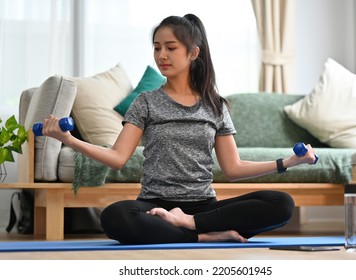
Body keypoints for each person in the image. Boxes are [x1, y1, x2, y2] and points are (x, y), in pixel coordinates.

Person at [42, 14, 317, 245]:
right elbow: (117, 158)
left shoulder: (215, 106)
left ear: (193, 53)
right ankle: (205, 236)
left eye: (170, 48)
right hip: (154, 205)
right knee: (115, 217)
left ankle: (189, 225)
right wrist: (68, 140)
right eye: (157, 47)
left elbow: (233, 168)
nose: (162, 55)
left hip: (203, 207)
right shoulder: (146, 102)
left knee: (281, 203)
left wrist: (289, 162)